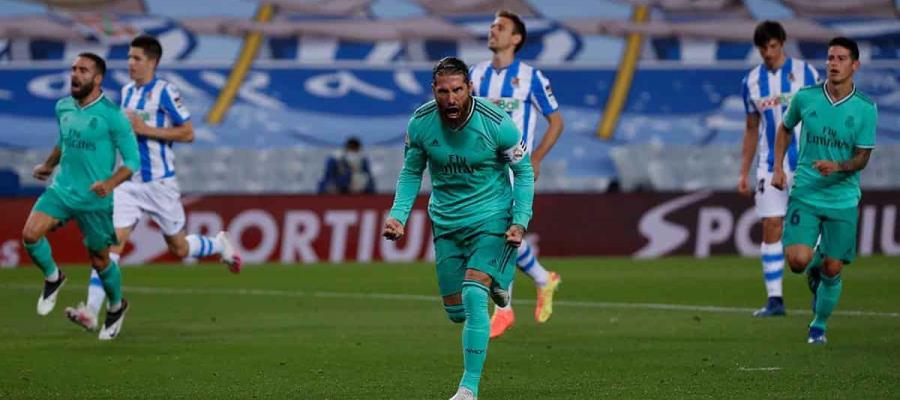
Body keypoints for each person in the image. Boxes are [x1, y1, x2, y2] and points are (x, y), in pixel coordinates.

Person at [64, 35, 241, 332]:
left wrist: (146, 129)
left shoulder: (165, 92)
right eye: (129, 57)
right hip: (128, 184)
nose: (130, 63)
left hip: (159, 184)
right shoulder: (127, 92)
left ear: (153, 62)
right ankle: (90, 311)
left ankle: (219, 244)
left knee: (179, 248)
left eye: (137, 58)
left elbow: (188, 133)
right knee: (110, 245)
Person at [383, 57, 534, 400]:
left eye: (457, 90)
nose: (450, 99)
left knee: (473, 295)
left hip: (491, 217)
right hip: (447, 221)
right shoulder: (420, 123)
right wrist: (398, 216)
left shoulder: (498, 124)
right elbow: (411, 172)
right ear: (433, 91)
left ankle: (468, 388)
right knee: (456, 312)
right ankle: (500, 279)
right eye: (443, 91)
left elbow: (524, 172)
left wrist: (520, 220)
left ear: (470, 88)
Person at [22, 53, 139, 340]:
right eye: (74, 69)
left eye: (83, 70)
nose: (75, 74)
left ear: (97, 78)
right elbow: (63, 141)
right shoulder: (63, 106)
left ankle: (116, 306)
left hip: (94, 200)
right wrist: (48, 165)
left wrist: (110, 183)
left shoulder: (113, 116)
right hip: (62, 191)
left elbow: (133, 162)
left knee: (100, 261)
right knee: (30, 235)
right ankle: (53, 277)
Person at [772, 37, 877, 344]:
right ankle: (812, 266)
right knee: (797, 261)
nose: (833, 63)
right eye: (830, 58)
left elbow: (863, 157)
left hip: (842, 198)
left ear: (855, 65)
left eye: (841, 59)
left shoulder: (865, 109)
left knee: (832, 267)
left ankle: (818, 326)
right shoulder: (806, 97)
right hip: (806, 192)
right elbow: (785, 128)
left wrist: (839, 166)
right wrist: (778, 168)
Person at [468, 9, 564, 338]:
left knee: (499, 233)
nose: (493, 31)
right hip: (480, 170)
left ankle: (504, 309)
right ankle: (543, 279)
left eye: (501, 27)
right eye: (492, 26)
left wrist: (536, 158)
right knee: (493, 234)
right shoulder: (476, 74)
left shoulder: (531, 77)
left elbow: (557, 122)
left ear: (516, 38)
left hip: (513, 167)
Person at [738, 21, 819, 317]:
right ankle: (774, 299)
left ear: (782, 43)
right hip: (769, 165)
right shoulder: (751, 82)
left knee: (810, 227)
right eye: (763, 48)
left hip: (805, 164)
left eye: (773, 46)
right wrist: (743, 172)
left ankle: (819, 284)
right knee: (771, 224)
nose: (769, 53)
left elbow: (820, 116)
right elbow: (751, 128)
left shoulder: (806, 73)